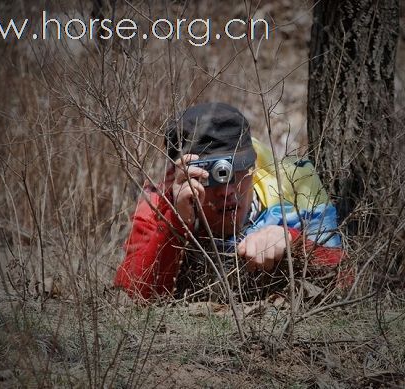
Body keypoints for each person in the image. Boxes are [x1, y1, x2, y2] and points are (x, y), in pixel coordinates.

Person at [114, 102, 345, 300]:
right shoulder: (157, 204)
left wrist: (292, 242)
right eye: (209, 175)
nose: (226, 191)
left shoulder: (295, 187)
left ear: (253, 164)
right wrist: (177, 223)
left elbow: (346, 278)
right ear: (179, 174)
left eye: (236, 169)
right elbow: (133, 296)